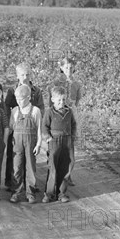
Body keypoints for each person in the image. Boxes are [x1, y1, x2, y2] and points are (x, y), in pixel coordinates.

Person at [4, 62, 45, 190]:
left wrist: (37, 121)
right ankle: (12, 183)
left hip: (31, 126)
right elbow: (7, 106)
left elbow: (41, 108)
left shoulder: (36, 91)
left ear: (31, 75)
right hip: (17, 126)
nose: (25, 77)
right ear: (17, 76)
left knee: (30, 158)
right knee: (15, 157)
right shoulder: (12, 90)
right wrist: (10, 123)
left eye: (27, 74)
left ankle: (30, 185)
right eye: (22, 75)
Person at [49, 57, 82, 186]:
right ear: (61, 68)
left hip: (70, 112)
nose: (69, 69)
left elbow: (78, 99)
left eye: (71, 67)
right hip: (58, 112)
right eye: (66, 67)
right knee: (57, 145)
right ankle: (55, 174)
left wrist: (73, 108)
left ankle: (68, 175)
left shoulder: (76, 83)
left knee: (70, 145)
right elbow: (52, 98)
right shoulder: (56, 82)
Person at [9, 84, 42, 204]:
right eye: (17, 99)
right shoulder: (15, 111)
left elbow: (39, 129)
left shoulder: (35, 111)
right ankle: (16, 192)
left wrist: (38, 144)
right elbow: (11, 127)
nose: (18, 101)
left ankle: (30, 193)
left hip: (30, 143)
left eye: (21, 99)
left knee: (30, 168)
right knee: (16, 167)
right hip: (17, 143)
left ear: (29, 97)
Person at [43, 86, 76, 203]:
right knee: (53, 167)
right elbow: (45, 126)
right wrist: (48, 137)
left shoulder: (69, 112)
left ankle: (61, 193)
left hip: (67, 141)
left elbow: (73, 125)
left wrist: (72, 137)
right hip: (54, 141)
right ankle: (49, 194)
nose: (61, 102)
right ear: (52, 99)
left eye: (63, 100)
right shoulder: (49, 112)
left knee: (67, 165)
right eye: (59, 100)